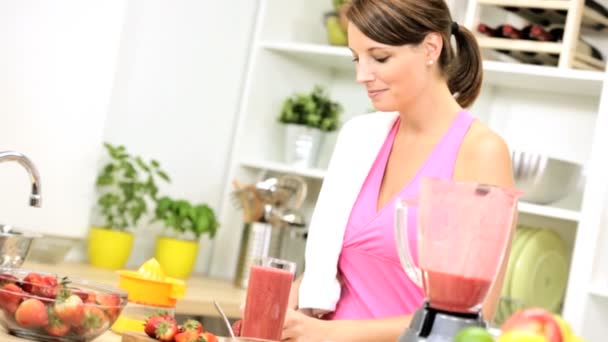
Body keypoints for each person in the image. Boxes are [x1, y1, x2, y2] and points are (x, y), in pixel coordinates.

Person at [280, 0, 515, 341]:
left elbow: (470, 316)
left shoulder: (480, 151)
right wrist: (286, 307)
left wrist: (330, 333)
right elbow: (335, 268)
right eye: (356, 58)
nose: (362, 75)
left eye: (380, 58)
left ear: (430, 48)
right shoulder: (361, 139)